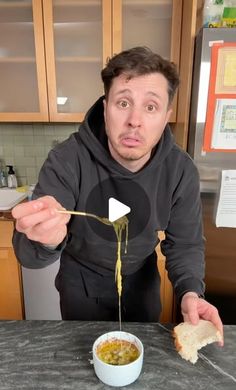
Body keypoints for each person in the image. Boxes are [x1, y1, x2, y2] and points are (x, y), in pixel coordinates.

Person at [12, 46, 223, 342]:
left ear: (166, 116)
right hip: (80, 286)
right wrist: (47, 240)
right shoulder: (66, 160)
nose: (135, 120)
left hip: (143, 286)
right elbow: (28, 256)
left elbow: (185, 244)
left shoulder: (180, 170)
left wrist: (190, 291)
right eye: (123, 103)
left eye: (151, 107)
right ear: (105, 106)